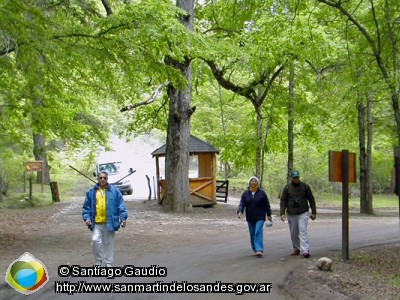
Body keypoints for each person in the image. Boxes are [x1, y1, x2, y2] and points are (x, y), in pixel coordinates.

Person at [82, 171, 128, 267]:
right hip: (96, 222)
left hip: (110, 221)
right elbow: (86, 207)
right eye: (100, 178)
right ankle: (98, 261)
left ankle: (108, 262)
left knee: (108, 243)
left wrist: (123, 218)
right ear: (98, 179)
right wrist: (87, 218)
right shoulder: (91, 192)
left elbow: (121, 205)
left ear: (107, 179)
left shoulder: (115, 191)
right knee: (95, 241)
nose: (102, 179)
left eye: (104, 178)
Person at [280, 170, 316, 258]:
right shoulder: (287, 187)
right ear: (291, 178)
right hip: (291, 213)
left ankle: (305, 250)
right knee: (293, 232)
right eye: (294, 177)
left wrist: (314, 212)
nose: (296, 179)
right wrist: (282, 213)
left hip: (303, 212)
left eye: (297, 177)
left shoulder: (305, 186)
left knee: (303, 230)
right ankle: (296, 248)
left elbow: (311, 199)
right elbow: (283, 200)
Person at [237, 176, 272, 257]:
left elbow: (266, 204)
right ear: (249, 183)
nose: (254, 182)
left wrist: (269, 214)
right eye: (252, 181)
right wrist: (240, 211)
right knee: (252, 233)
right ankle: (255, 248)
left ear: (258, 183)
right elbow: (242, 204)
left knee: (258, 231)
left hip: (260, 216)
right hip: (250, 217)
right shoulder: (245, 193)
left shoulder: (262, 193)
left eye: (255, 181)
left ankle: (259, 249)